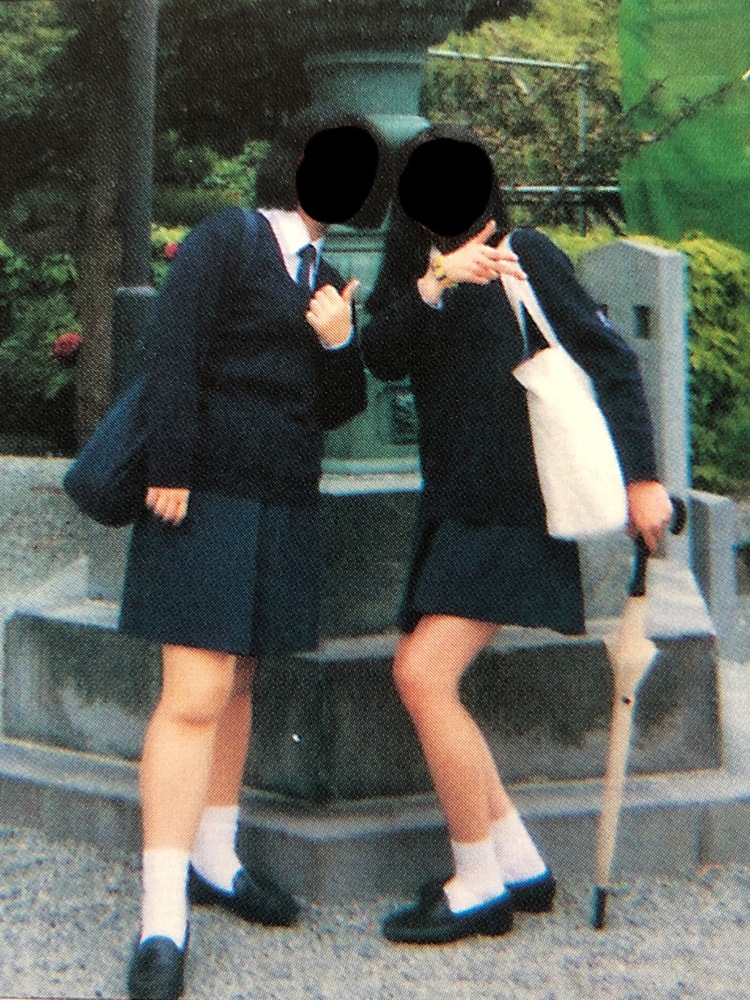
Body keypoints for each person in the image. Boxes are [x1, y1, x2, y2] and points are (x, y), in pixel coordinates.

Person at [362, 124, 673, 946]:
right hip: (453, 506)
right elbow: (380, 355)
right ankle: (519, 865)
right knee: (426, 678)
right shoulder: (419, 267)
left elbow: (611, 361)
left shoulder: (526, 251)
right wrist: (437, 281)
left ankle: (477, 887)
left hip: (516, 507)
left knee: (422, 676)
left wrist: (644, 479)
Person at [120, 109, 378, 999]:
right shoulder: (227, 238)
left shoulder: (329, 276)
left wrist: (339, 339)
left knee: (238, 686)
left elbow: (339, 406)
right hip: (205, 492)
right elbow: (172, 349)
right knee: (194, 693)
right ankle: (162, 918)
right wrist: (171, 465)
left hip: (283, 499)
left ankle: (215, 858)